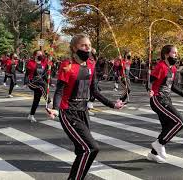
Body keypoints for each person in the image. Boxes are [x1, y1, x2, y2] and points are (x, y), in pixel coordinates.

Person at [47, 33, 123, 180]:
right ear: (75, 48)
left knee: (83, 149)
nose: (87, 48)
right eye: (83, 45)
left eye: (89, 45)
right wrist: (55, 109)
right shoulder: (67, 65)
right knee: (91, 148)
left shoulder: (91, 64)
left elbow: (94, 90)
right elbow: (59, 90)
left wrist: (112, 104)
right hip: (68, 112)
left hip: (83, 111)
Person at [147, 45, 183, 163]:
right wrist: (150, 90)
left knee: (167, 127)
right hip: (158, 99)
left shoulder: (173, 68)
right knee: (181, 122)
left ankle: (153, 154)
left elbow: (172, 86)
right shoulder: (160, 66)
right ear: (166, 54)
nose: (176, 55)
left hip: (167, 99)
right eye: (174, 53)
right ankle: (159, 144)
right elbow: (149, 81)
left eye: (176, 53)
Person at [24, 50, 51, 122]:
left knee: (37, 99)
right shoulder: (30, 63)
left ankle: (31, 115)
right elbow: (27, 74)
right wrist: (26, 82)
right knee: (42, 85)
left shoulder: (44, 63)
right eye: (39, 54)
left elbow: (45, 75)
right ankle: (48, 100)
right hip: (32, 81)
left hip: (40, 82)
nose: (41, 56)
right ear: (35, 55)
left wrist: (49, 82)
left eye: (41, 54)